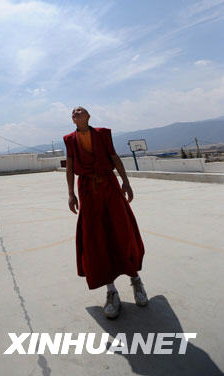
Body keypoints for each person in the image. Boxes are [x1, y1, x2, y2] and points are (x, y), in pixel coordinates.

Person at [63, 106, 147, 319]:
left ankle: (136, 280)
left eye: (80, 111)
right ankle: (111, 291)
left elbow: (114, 157)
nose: (76, 113)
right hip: (88, 191)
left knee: (122, 230)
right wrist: (71, 193)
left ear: (88, 116)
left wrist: (125, 182)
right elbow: (70, 167)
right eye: (73, 112)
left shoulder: (102, 133)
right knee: (96, 238)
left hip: (109, 185)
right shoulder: (69, 139)